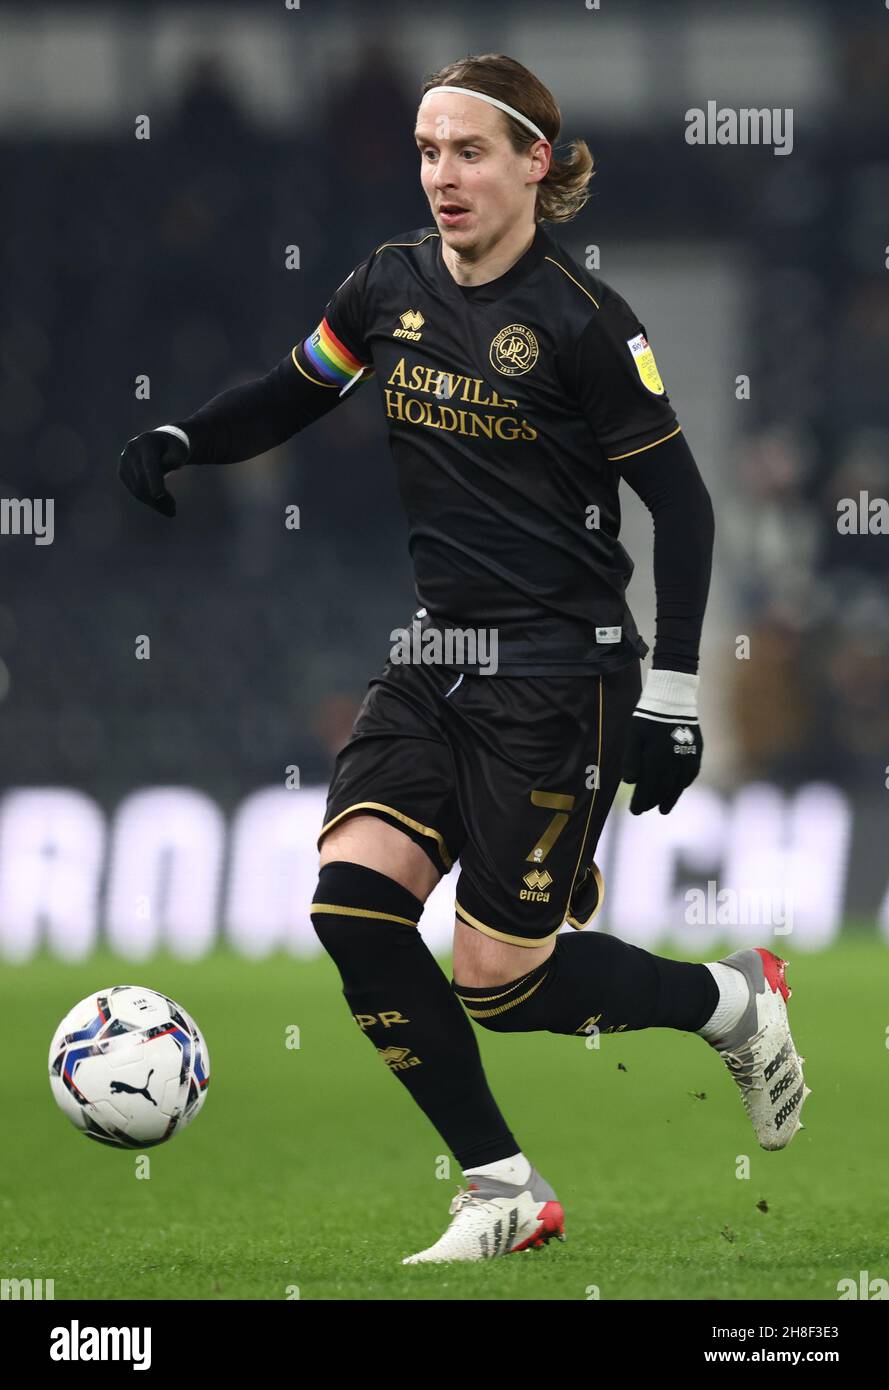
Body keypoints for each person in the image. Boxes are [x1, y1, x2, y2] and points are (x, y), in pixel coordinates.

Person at [119, 53, 808, 1265]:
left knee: (502, 982)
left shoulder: (587, 324)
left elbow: (684, 511)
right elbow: (292, 391)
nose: (442, 175)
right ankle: (499, 1183)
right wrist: (187, 435)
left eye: (469, 152)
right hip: (436, 651)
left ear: (534, 165)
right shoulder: (386, 281)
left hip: (562, 674)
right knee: (351, 905)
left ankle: (729, 1002)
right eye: (429, 151)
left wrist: (675, 691)